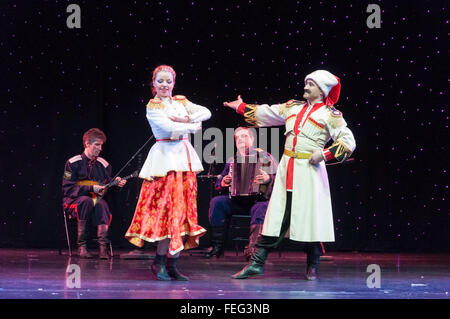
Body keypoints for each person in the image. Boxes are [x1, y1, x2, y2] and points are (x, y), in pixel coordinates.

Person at [223, 70, 356, 280]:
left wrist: (323, 154)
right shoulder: (292, 107)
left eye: (310, 84)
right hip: (288, 168)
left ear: (321, 90)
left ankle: (312, 265)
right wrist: (240, 107)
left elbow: (348, 142)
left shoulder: (330, 115)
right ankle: (257, 263)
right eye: (306, 83)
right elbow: (266, 113)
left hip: (309, 173)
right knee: (275, 216)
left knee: (311, 218)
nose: (306, 87)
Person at [125, 65, 211, 281]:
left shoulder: (181, 102)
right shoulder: (153, 107)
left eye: (168, 81)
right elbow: (166, 129)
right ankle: (159, 262)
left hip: (184, 160)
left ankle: (173, 264)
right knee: (168, 213)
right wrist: (191, 125)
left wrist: (184, 120)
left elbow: (206, 113)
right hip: (164, 161)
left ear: (174, 83)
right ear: (153, 84)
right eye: (160, 81)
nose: (164, 85)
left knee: (183, 213)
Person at [206, 127, 278, 260]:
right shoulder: (232, 161)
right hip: (237, 201)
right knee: (217, 202)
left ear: (252, 139)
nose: (240, 140)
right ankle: (217, 247)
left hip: (258, 201)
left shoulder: (264, 158)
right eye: (237, 138)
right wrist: (223, 183)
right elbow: (219, 182)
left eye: (244, 136)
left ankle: (253, 250)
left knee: (261, 207)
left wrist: (268, 179)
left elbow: (279, 181)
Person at [62, 128, 127, 259]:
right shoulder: (72, 163)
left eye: (101, 145)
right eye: (97, 144)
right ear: (87, 144)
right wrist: (91, 189)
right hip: (74, 203)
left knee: (101, 204)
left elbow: (107, 186)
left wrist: (116, 184)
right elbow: (68, 188)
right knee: (86, 201)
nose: (100, 148)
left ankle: (103, 248)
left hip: (94, 202)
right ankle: (82, 246)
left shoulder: (104, 165)